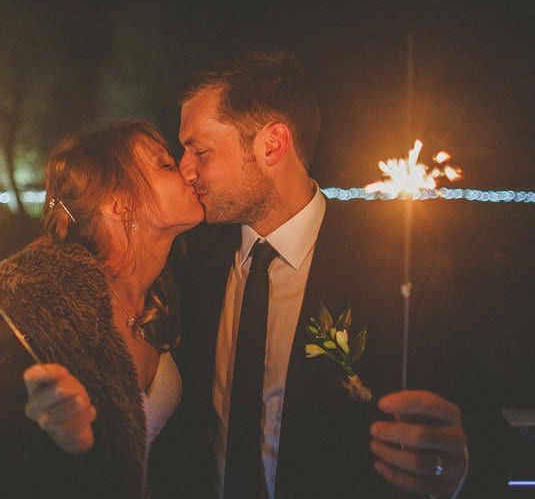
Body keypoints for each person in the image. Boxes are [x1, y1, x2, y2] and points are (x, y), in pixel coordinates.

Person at [172, 50, 471, 498]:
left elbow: (474, 420)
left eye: (200, 150)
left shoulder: (401, 274)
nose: (185, 168)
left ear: (272, 145)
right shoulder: (191, 263)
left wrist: (457, 470)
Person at [0, 119, 204, 498]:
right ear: (119, 204)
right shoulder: (41, 314)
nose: (187, 171)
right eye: (165, 164)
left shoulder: (161, 298)